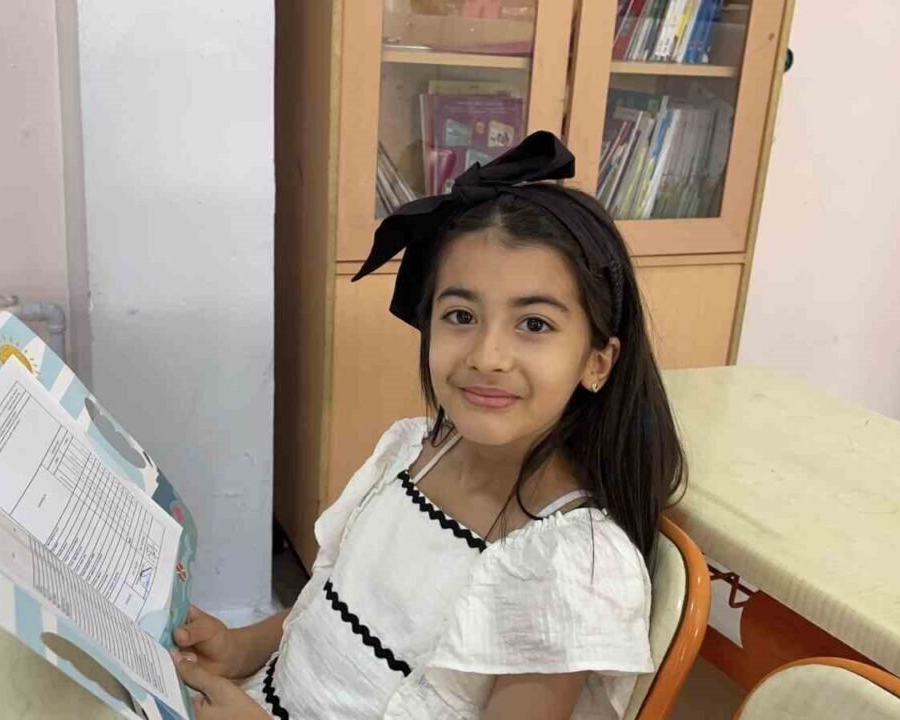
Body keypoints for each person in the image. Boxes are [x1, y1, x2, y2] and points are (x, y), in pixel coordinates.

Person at [171, 131, 686, 719]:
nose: (488, 356)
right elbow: (333, 608)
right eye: (461, 315)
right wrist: (240, 647)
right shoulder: (412, 450)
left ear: (597, 362)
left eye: (534, 324)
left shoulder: (571, 565)